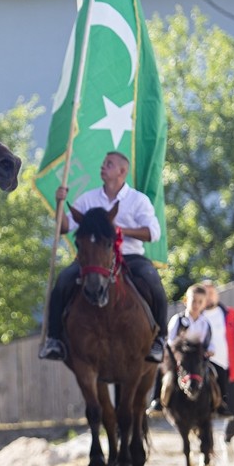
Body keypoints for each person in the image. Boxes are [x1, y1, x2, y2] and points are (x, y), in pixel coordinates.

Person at [38, 151, 168, 365]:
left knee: (153, 280)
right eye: (103, 163)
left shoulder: (137, 200)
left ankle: (160, 339)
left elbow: (153, 233)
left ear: (122, 171)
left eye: (109, 164)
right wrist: (59, 204)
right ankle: (54, 339)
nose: (102, 167)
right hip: (93, 259)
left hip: (130, 256)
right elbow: (65, 227)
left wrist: (120, 230)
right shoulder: (88, 199)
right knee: (62, 282)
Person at [158, 284, 213, 408]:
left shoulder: (205, 323)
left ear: (204, 304)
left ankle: (219, 403)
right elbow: (170, 342)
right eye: (194, 301)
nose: (196, 305)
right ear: (186, 301)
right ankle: (157, 401)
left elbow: (208, 342)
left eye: (200, 302)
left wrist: (210, 350)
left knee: (212, 375)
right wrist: (180, 346)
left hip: (197, 358)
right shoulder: (177, 320)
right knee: (167, 378)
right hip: (179, 358)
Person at [202, 280, 234, 442]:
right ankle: (206, 447)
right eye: (206, 293)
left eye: (212, 292)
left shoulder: (229, 313)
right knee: (206, 412)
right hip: (206, 371)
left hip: (228, 369)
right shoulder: (198, 316)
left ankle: (226, 438)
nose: (210, 296)